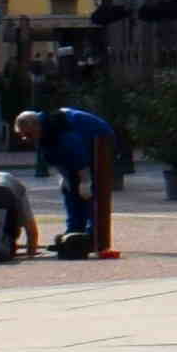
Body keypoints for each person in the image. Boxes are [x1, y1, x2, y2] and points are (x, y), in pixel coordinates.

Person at [26, 98, 123, 259]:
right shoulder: (40, 131)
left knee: (92, 193)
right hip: (79, 149)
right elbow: (53, 156)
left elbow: (78, 153)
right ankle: (74, 232)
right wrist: (64, 176)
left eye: (28, 135)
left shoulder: (60, 130)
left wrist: (85, 180)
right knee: (70, 191)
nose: (26, 139)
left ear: (36, 127)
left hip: (99, 142)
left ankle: (95, 236)